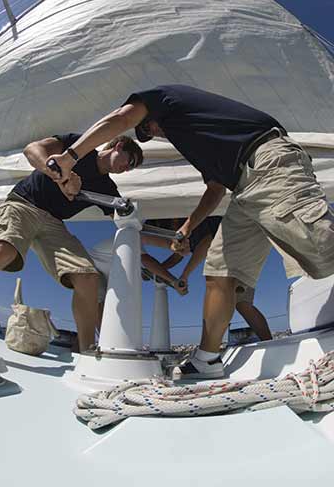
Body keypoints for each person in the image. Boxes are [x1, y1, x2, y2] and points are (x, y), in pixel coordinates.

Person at [44, 84, 334, 378]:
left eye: (149, 127)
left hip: (268, 162)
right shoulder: (196, 145)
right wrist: (186, 227)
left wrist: (70, 156)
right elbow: (215, 189)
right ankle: (207, 358)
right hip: (242, 191)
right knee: (220, 272)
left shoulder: (167, 98)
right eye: (147, 134)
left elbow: (120, 119)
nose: (154, 133)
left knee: (322, 247)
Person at [0, 133, 143, 352]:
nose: (127, 168)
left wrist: (171, 244)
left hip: (53, 223)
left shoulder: (108, 190)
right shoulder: (81, 146)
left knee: (88, 278)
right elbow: (32, 149)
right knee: (0, 253)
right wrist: (62, 176)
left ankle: (86, 349)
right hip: (23, 203)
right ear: (118, 145)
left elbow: (125, 224)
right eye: (130, 161)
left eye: (132, 168)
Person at [151, 217, 272, 348]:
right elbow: (178, 255)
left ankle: (209, 353)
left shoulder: (192, 229)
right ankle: (269, 342)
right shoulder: (188, 230)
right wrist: (159, 269)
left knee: (225, 294)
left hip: (239, 244)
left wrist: (184, 275)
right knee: (241, 302)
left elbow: (206, 243)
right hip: (245, 240)